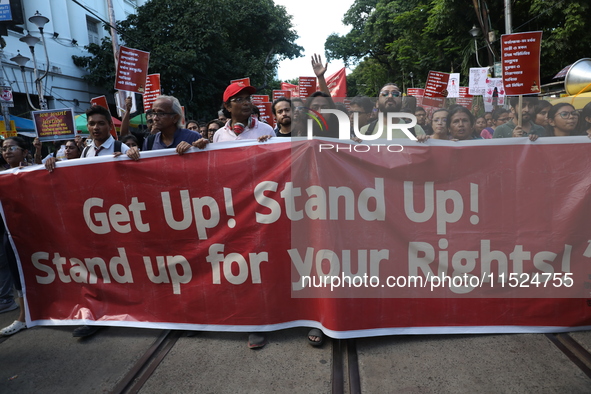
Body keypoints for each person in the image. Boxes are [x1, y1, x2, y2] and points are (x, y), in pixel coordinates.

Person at [0, 137, 31, 336]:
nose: (7, 151)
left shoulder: (35, 172)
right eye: (4, 149)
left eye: (12, 147)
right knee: (18, 274)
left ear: (24, 152)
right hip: (11, 234)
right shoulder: (2, 176)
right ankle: (23, 317)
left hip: (36, 232)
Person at [140, 95, 208, 153]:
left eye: (161, 113)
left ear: (175, 118)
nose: (155, 118)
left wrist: (192, 150)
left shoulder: (193, 137)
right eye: (154, 113)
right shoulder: (149, 142)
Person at [360, 83, 425, 138]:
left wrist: (425, 142)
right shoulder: (365, 131)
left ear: (402, 103)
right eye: (385, 93)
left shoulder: (416, 130)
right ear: (377, 103)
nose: (390, 96)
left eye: (396, 94)